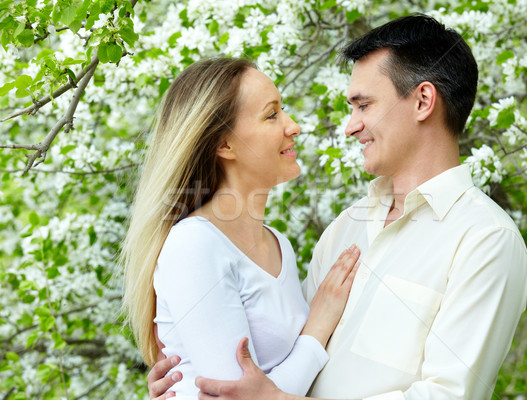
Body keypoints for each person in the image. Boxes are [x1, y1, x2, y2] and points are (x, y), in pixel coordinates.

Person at [148, 14, 527, 400]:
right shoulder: (346, 228)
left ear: (423, 101)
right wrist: (188, 381)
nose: (349, 126)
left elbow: (449, 396)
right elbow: (277, 360)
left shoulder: (485, 239)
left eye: (364, 106)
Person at [121, 57, 362, 400]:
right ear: (224, 145)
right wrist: (318, 327)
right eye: (271, 114)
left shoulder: (279, 244)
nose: (292, 126)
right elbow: (238, 395)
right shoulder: (195, 244)